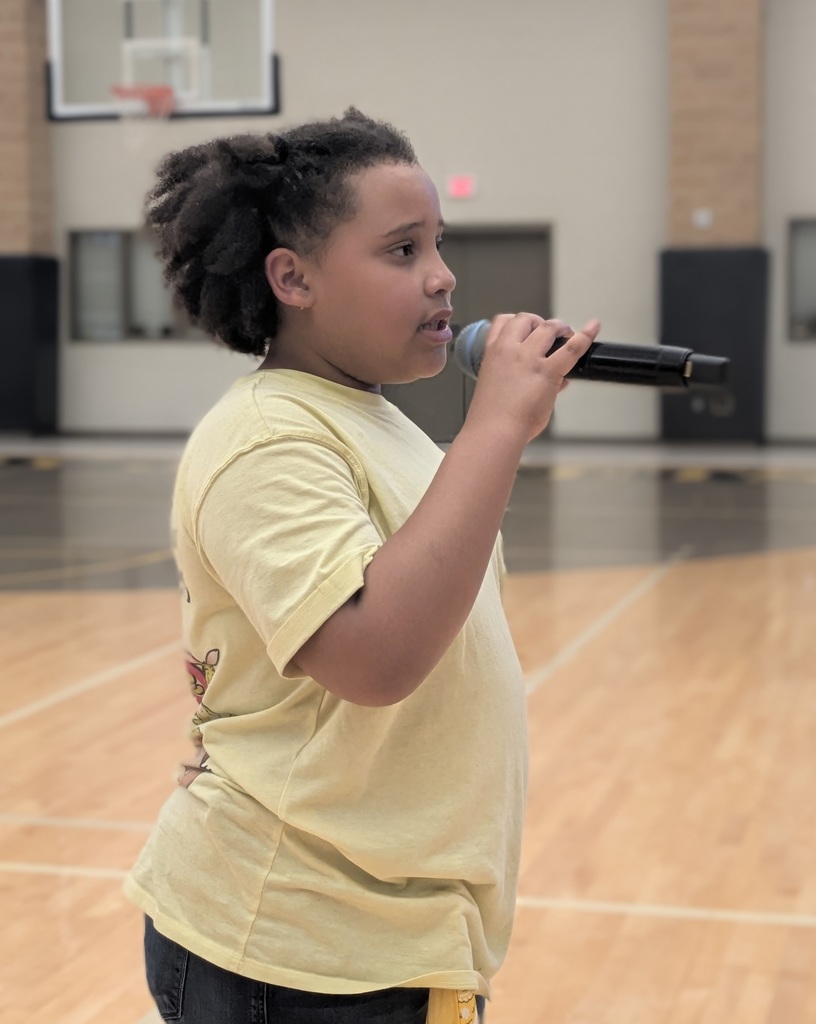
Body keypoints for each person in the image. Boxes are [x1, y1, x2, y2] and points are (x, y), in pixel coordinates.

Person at [124, 107, 600, 1024]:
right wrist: (497, 424)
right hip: (292, 950)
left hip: (386, 937)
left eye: (439, 245)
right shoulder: (266, 437)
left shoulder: (381, 423)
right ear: (293, 278)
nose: (443, 277)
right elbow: (373, 657)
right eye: (402, 251)